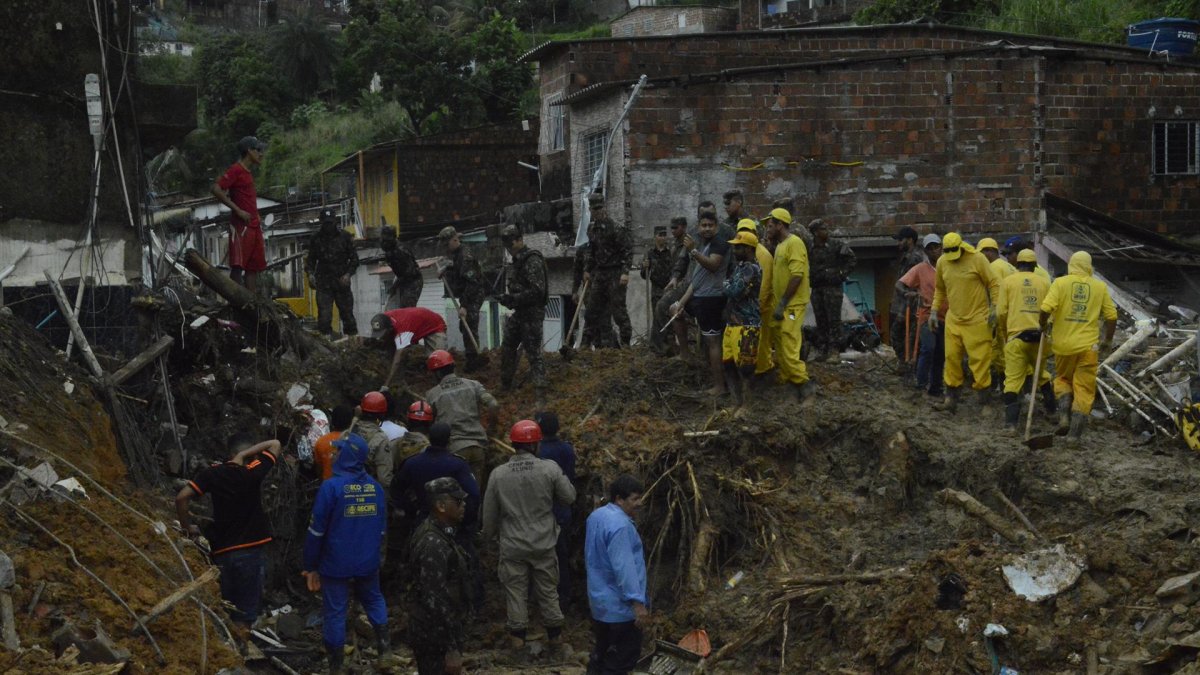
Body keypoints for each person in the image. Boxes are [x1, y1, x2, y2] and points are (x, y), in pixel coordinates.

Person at [482, 420, 576, 659]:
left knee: (515, 593)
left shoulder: (498, 474)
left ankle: (517, 647)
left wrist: (488, 540)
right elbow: (569, 497)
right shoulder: (549, 469)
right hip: (544, 543)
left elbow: (489, 516)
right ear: (536, 444)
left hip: (513, 545)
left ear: (513, 444)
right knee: (548, 592)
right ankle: (556, 643)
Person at [301, 435, 389, 673]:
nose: (335, 455)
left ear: (348, 455)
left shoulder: (331, 487)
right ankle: (385, 652)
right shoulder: (376, 488)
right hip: (368, 561)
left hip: (335, 563)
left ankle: (336, 666)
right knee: (373, 599)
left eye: (339, 452)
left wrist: (310, 565)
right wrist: (378, 558)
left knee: (335, 612)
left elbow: (316, 531)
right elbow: (382, 529)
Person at [175, 434, 279, 630]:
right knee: (244, 615)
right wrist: (246, 454)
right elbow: (275, 444)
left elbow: (181, 498)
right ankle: (239, 656)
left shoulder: (212, 474)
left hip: (221, 554)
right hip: (250, 553)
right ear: (245, 454)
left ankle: (227, 652)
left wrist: (187, 527)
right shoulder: (252, 472)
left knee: (224, 611)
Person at [1040, 251, 1117, 445]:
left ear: (1071, 264)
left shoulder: (1060, 283)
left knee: (1063, 378)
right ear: (1089, 266)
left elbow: (1045, 309)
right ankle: (1074, 437)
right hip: (1088, 348)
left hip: (1063, 346)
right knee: (1083, 389)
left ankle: (1064, 415)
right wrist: (1107, 339)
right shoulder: (1099, 287)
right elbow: (1112, 316)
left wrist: (1042, 326)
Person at [407, 478, 473, 675]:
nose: (464, 505)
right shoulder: (433, 543)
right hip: (434, 637)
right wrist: (451, 647)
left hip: (438, 632)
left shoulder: (441, 533)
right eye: (458, 502)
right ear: (441, 506)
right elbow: (433, 597)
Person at [585, 474, 648, 675]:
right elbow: (624, 568)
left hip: (599, 603)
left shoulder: (597, 516)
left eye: (640, 497)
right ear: (619, 499)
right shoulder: (621, 526)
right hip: (620, 608)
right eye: (634, 499)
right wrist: (637, 603)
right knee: (620, 662)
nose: (640, 503)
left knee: (600, 656)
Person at [929, 232, 1000, 413]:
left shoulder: (977, 259)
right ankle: (950, 399)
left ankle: (985, 401)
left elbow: (993, 283)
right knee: (951, 358)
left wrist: (995, 307)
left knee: (980, 361)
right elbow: (939, 289)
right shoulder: (942, 262)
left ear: (961, 247)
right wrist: (934, 311)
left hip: (977, 319)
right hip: (954, 319)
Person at [671, 210, 730, 396]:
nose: (706, 229)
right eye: (703, 225)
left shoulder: (719, 244)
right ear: (698, 227)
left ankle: (720, 386)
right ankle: (686, 355)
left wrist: (693, 251)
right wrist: (681, 302)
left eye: (710, 225)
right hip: (699, 297)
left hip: (712, 300)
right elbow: (697, 280)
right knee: (674, 310)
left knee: (713, 341)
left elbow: (713, 265)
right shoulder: (704, 245)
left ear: (716, 227)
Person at [997, 249, 1057, 432]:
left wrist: (1004, 332)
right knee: (1041, 374)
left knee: (1013, 380)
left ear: (1017, 264)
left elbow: (1000, 312)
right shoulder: (1045, 282)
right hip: (1039, 338)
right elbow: (1052, 311)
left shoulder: (1008, 282)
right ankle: (1052, 412)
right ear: (1034, 266)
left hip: (1016, 337)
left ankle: (1011, 425)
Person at [424, 350, 500, 491]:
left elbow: (429, 424)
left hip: (454, 449)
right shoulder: (473, 385)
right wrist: (491, 429)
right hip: (478, 447)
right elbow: (493, 405)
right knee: (474, 493)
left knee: (455, 496)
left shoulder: (432, 394)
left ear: (437, 373)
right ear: (453, 366)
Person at [765, 208, 816, 402]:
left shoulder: (794, 243)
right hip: (782, 305)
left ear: (780, 225)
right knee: (779, 342)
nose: (767, 229)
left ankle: (805, 385)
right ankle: (791, 384)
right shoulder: (780, 246)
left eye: (770, 225)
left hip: (792, 306)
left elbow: (797, 275)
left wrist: (783, 303)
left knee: (788, 341)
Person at [497, 225, 548, 400]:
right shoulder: (517, 261)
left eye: (511, 245)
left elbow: (537, 292)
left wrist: (515, 298)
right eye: (507, 247)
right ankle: (505, 385)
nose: (510, 250)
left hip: (532, 314)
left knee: (533, 352)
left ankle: (540, 391)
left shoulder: (532, 260)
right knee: (508, 345)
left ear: (520, 240)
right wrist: (509, 298)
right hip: (520, 313)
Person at [211, 136, 268, 293]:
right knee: (238, 266)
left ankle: (251, 303)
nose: (261, 154)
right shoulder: (236, 169)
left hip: (254, 224)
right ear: (249, 151)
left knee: (252, 267)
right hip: (241, 225)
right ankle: (236, 300)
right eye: (258, 150)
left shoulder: (248, 173)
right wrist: (237, 210)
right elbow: (216, 189)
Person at [533, 411, 576, 609]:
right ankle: (565, 596)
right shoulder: (567, 449)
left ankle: (544, 600)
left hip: (542, 513)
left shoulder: (539, 453)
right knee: (562, 555)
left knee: (542, 559)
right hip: (563, 510)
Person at [896, 234, 946, 398]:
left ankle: (936, 387)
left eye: (936, 247)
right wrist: (907, 293)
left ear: (941, 248)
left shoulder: (949, 267)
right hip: (927, 316)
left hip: (948, 316)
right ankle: (921, 383)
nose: (934, 252)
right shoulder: (920, 269)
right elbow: (900, 283)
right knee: (928, 349)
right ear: (925, 251)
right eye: (930, 249)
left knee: (941, 352)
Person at [583, 193, 634, 348]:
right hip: (600, 273)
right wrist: (587, 270)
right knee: (591, 309)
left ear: (604, 208)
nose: (597, 211)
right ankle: (585, 344)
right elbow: (591, 251)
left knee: (618, 311)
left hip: (615, 272)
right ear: (590, 210)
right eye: (594, 209)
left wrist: (625, 272)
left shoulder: (616, 228)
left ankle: (625, 344)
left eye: (600, 208)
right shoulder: (591, 229)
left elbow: (627, 250)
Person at [721, 229, 762, 407]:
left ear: (748, 249)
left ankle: (747, 406)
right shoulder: (740, 267)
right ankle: (735, 403)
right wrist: (728, 285)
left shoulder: (751, 269)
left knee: (746, 368)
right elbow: (730, 286)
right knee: (728, 364)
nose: (734, 250)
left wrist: (727, 285)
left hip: (748, 325)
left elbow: (733, 290)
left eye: (738, 248)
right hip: (733, 324)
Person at [438, 226, 487, 371]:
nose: (446, 248)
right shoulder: (457, 254)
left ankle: (474, 361)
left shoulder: (466, 257)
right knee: (464, 325)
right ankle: (472, 356)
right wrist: (445, 270)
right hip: (466, 293)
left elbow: (472, 283)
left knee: (469, 323)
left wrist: (464, 306)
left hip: (474, 294)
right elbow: (455, 268)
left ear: (454, 240)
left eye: (447, 245)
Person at [304, 208, 359, 337]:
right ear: (321, 222)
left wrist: (348, 274)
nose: (328, 226)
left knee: (348, 316)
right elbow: (310, 261)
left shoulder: (345, 237)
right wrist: (310, 275)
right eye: (325, 223)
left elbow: (355, 260)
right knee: (324, 317)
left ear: (335, 222)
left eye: (330, 223)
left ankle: (353, 343)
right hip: (323, 283)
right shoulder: (315, 238)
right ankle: (326, 347)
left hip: (342, 283)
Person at [807, 219, 856, 361]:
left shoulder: (836, 245)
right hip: (817, 288)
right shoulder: (810, 247)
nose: (826, 232)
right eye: (822, 229)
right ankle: (823, 349)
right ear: (815, 232)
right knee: (820, 320)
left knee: (833, 320)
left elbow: (852, 260)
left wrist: (840, 274)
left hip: (832, 289)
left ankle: (835, 350)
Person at [369, 307, 448, 390]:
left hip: (434, 325)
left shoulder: (404, 330)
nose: (381, 337)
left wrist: (386, 385)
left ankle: (443, 384)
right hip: (415, 321)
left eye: (383, 334)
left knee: (437, 359)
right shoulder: (383, 318)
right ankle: (398, 378)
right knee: (391, 346)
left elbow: (397, 360)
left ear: (390, 328)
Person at [736, 219, 775, 379]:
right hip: (748, 309)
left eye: (748, 230)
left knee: (762, 344)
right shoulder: (742, 254)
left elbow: (764, 286)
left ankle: (763, 373)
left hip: (760, 309)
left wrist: (758, 307)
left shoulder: (762, 255)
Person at [652, 217, 692, 356]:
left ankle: (676, 347)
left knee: (668, 309)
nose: (673, 231)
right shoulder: (675, 245)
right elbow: (676, 265)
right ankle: (665, 346)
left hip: (687, 284)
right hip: (674, 283)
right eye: (672, 228)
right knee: (662, 310)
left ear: (684, 227)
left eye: (676, 228)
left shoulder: (688, 243)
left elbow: (689, 265)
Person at [978, 237, 1015, 390]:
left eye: (983, 252)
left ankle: (1003, 387)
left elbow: (997, 293)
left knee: (998, 352)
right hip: (1013, 315)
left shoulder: (993, 268)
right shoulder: (1008, 266)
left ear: (990, 252)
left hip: (1001, 315)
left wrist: (994, 312)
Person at [355, 391, 397, 503]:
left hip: (345, 489)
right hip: (367, 493)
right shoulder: (381, 439)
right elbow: (384, 478)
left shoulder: (349, 431)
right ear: (382, 414)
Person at [890, 226, 926, 356]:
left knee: (903, 335)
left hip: (909, 305)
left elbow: (912, 285)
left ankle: (907, 363)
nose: (899, 243)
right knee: (900, 335)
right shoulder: (907, 256)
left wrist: (905, 307)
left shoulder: (914, 258)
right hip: (903, 304)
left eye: (901, 240)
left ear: (910, 240)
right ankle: (905, 361)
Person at [641, 225, 674, 354]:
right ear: (655, 236)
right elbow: (644, 275)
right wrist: (644, 267)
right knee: (657, 317)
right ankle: (657, 346)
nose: (662, 237)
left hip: (669, 289)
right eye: (660, 235)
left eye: (664, 235)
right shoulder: (649, 253)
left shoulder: (670, 252)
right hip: (656, 289)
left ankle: (669, 345)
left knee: (669, 317)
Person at [381, 226, 423, 310]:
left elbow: (409, 272)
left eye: (387, 240)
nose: (384, 243)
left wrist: (396, 285)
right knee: (401, 308)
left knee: (407, 307)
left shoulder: (401, 251)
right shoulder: (389, 250)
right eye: (383, 240)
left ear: (393, 238)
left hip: (413, 280)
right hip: (403, 279)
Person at [314, 404, 355, 481]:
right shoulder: (357, 443)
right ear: (350, 422)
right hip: (351, 488)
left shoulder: (321, 442)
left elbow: (319, 469)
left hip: (329, 487)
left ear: (332, 421)